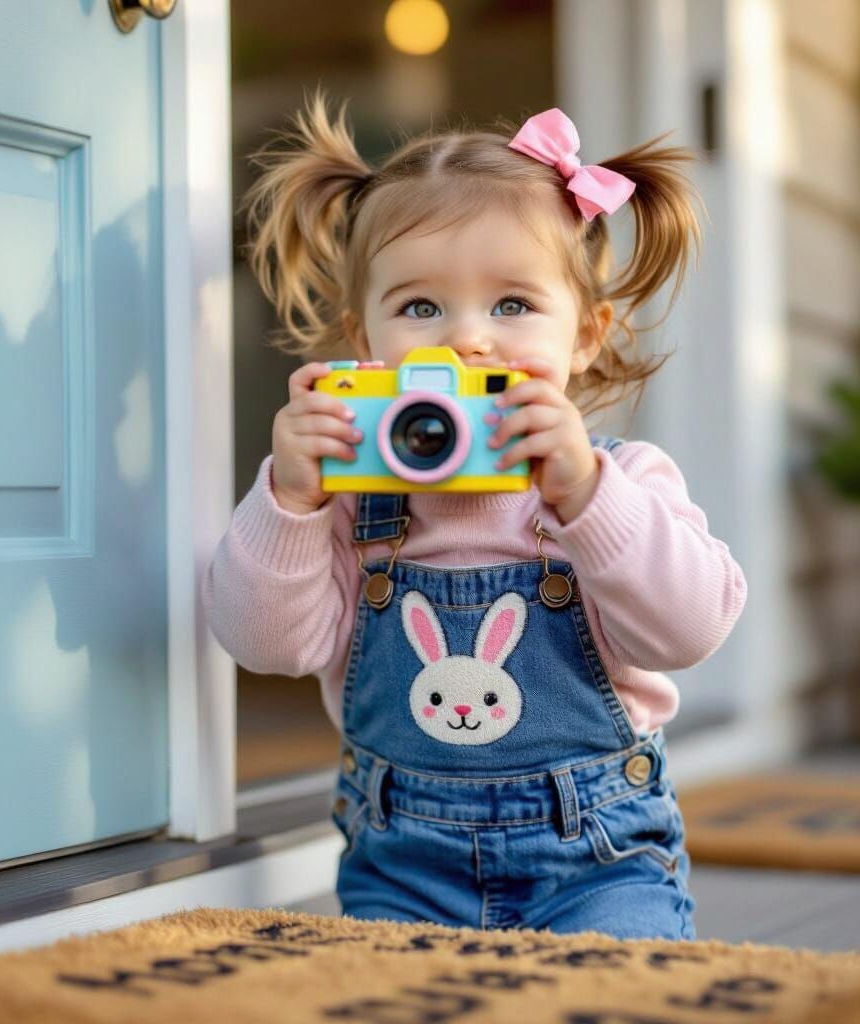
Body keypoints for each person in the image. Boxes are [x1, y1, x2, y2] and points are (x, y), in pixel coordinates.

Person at [204, 95, 747, 940]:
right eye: (421, 308)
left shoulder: (623, 482)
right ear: (365, 342)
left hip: (598, 860)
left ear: (586, 337)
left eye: (512, 305)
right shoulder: (346, 498)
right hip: (403, 866)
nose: (466, 341)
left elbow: (691, 629)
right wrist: (291, 501)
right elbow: (266, 646)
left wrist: (584, 496)